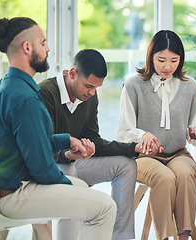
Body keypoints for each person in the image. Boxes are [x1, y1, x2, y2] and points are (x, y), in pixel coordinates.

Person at [0, 17, 116, 240]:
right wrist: (67, 184)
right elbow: (41, 168)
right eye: (43, 43)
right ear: (27, 48)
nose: (48, 48)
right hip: (15, 196)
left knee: (80, 186)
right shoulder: (26, 99)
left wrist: (66, 139)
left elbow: (27, 143)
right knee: (105, 207)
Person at [38, 49, 156, 240]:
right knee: (70, 173)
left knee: (126, 166)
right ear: (73, 73)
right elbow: (41, 147)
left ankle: (121, 237)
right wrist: (68, 153)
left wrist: (132, 148)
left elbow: (95, 141)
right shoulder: (45, 93)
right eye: (88, 86)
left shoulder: (89, 98)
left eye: (96, 88)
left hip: (73, 162)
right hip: (49, 167)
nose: (92, 93)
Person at [117, 30, 196, 240]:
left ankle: (183, 236)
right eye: (161, 60)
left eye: (174, 60)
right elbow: (124, 132)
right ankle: (164, 237)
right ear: (151, 57)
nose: (167, 66)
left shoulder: (191, 87)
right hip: (143, 157)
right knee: (165, 178)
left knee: (186, 174)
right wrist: (143, 135)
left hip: (178, 153)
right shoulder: (133, 85)